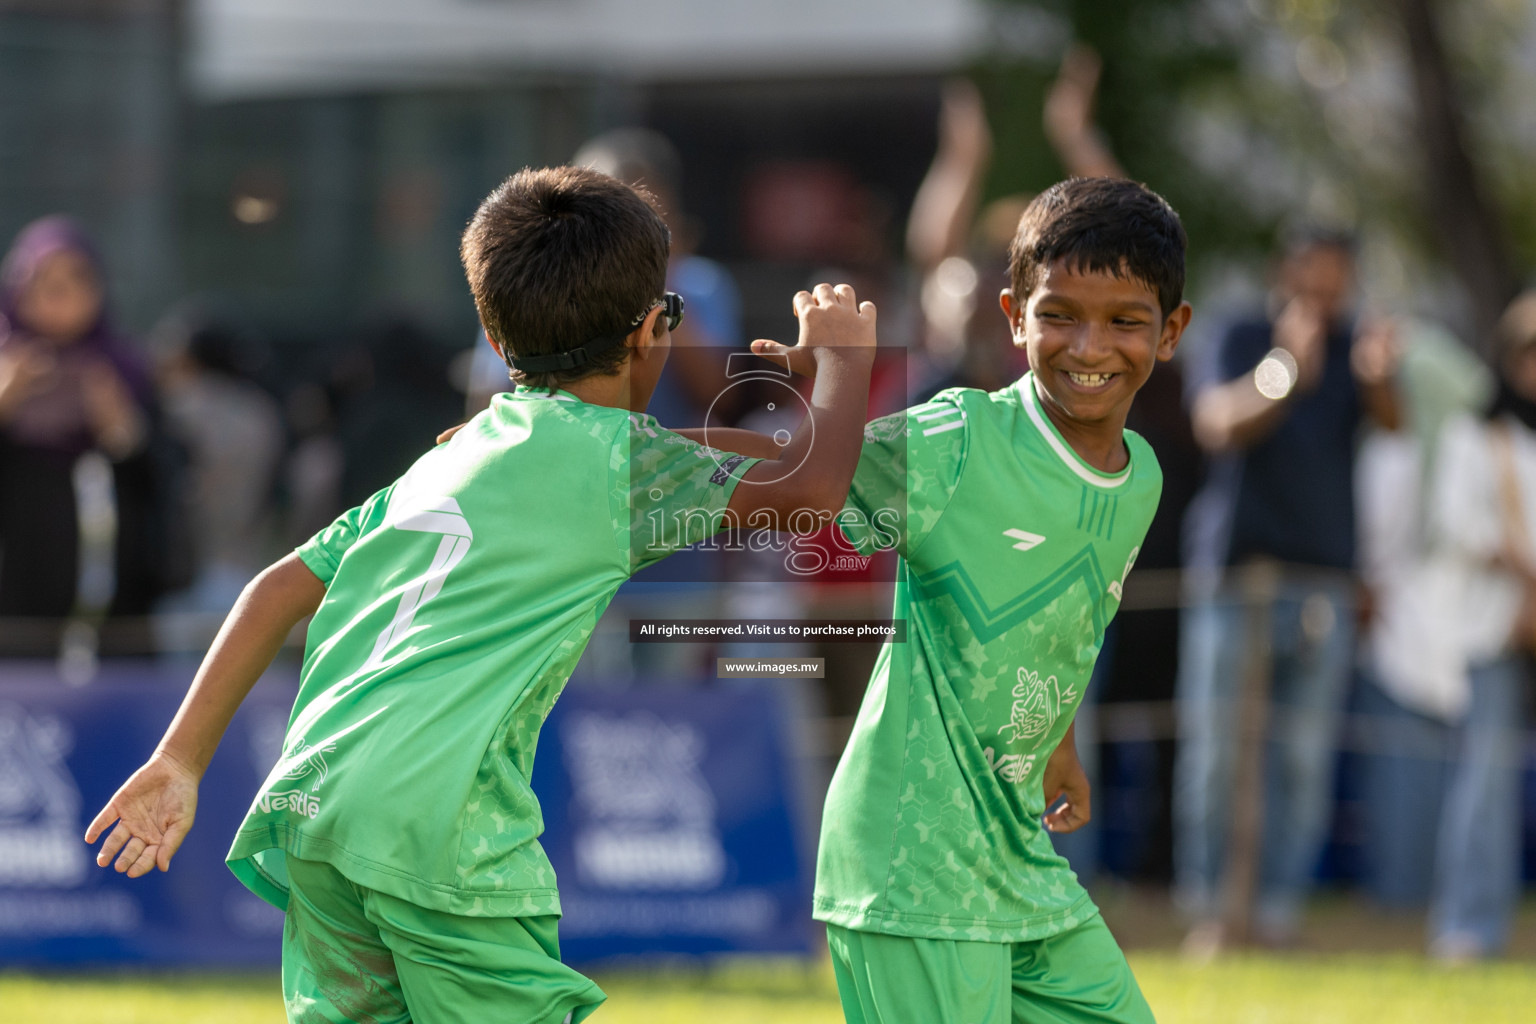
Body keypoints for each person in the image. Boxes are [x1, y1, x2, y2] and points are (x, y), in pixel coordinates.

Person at [84, 166, 878, 1024]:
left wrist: (179, 760)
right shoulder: (624, 464)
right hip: (439, 827)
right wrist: (842, 361)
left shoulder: (452, 454)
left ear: (498, 346)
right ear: (652, 329)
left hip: (317, 807)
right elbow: (814, 487)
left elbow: (277, 587)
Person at [719, 177, 1192, 1023]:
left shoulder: (1142, 477)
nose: (1090, 346)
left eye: (1125, 320)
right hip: (911, 866)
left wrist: (1059, 742)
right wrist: (580, 441)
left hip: (1018, 858)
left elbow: (1062, 620)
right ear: (1013, 316)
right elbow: (791, 474)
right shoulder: (957, 440)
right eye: (1059, 315)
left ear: (1173, 331)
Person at [1176, 227, 1400, 947]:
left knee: (1303, 763)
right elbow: (1214, 423)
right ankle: (1211, 911)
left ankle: (1275, 915)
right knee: (1214, 756)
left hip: (1323, 583)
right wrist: (1283, 370)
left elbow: (1395, 427)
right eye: (1315, 279)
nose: (1326, 296)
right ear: (1286, 272)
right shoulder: (1240, 332)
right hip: (1238, 577)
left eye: (1339, 282)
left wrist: (1377, 379)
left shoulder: (1354, 347)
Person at [1414, 293, 1536, 960]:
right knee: (1484, 779)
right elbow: (1458, 525)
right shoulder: (1476, 433)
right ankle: (1468, 924)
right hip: (1494, 628)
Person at [0, 215, 172, 654]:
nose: (59, 295)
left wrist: (122, 433)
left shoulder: (124, 371)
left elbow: (164, 481)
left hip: (111, 611)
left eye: (75, 279)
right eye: (43, 280)